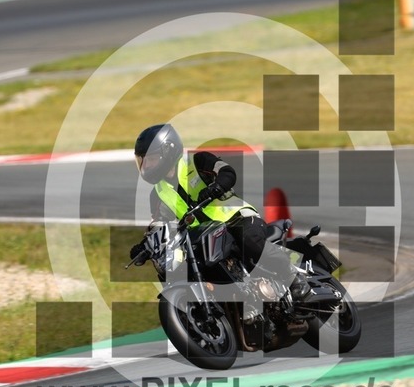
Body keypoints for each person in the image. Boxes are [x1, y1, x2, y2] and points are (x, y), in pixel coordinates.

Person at [129, 123, 310, 300]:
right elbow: (160, 223)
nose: (147, 166)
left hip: (236, 219)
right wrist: (145, 245)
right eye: (143, 161)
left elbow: (227, 172)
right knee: (187, 265)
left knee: (249, 240)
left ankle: (293, 277)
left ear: (168, 151)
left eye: (151, 159)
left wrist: (216, 187)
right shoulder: (158, 194)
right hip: (204, 236)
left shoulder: (198, 162)